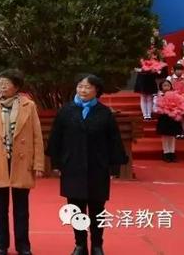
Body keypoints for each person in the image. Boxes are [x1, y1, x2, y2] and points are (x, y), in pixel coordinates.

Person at [46, 74, 128, 255]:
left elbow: (114, 140)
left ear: (96, 90)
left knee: (98, 209)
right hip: (72, 166)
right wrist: (56, 163)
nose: (83, 90)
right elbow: (56, 139)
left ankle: (97, 245)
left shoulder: (104, 113)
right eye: (80, 86)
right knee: (76, 209)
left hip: (97, 167)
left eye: (87, 87)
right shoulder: (66, 111)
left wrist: (114, 167)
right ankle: (80, 244)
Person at [0, 70, 43, 255]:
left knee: (22, 209)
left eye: (7, 83)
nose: (3, 86)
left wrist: (38, 164)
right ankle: (1, 246)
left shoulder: (28, 105)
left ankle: (23, 246)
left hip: (21, 162)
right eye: (1, 83)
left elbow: (37, 136)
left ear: (17, 86)